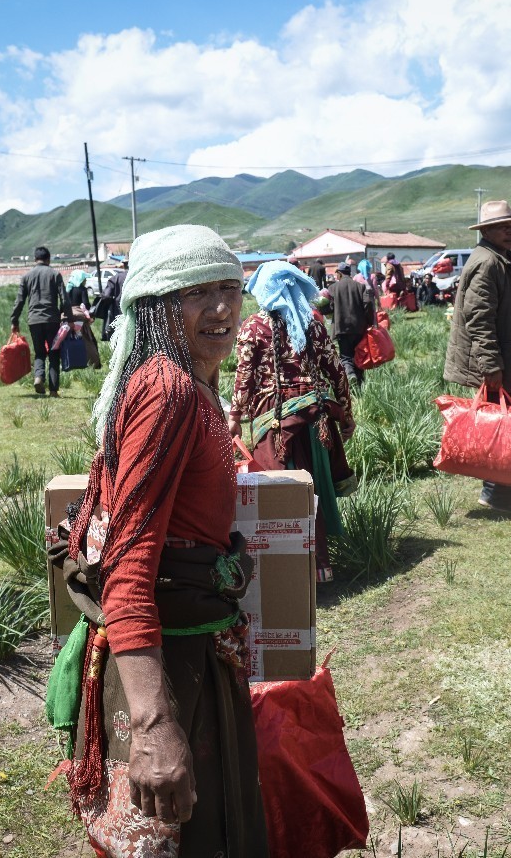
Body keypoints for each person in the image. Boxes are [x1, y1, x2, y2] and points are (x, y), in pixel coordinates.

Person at [61, 224, 267, 855]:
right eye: (196, 292)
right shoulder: (169, 391)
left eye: (229, 288)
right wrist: (153, 723)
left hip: (192, 645)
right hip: (167, 660)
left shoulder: (192, 383)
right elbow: (127, 565)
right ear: (154, 305)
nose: (222, 309)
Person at [229, 262, 356, 584]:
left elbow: (243, 379)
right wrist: (347, 417)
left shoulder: (254, 327)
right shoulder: (313, 323)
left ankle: (285, 571)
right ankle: (319, 568)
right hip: (317, 422)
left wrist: (234, 419)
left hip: (275, 424)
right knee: (311, 489)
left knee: (281, 494)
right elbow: (337, 371)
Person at [443, 200, 511, 517]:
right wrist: (491, 365)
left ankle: (499, 491)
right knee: (503, 424)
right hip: (497, 360)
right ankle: (500, 493)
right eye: (503, 226)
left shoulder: (502, 259)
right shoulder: (487, 262)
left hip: (508, 356)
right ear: (486, 230)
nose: (510, 231)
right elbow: (479, 318)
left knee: (505, 423)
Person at [10, 246, 70, 396]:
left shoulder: (26, 276)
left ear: (35, 259)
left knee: (39, 352)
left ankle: (38, 377)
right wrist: (67, 316)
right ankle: (54, 390)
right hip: (52, 319)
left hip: (34, 320)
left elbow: (19, 301)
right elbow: (64, 298)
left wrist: (14, 320)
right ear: (48, 259)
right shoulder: (55, 274)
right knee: (54, 352)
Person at [328, 261, 374, 384]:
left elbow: (329, 308)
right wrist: (370, 321)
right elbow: (368, 303)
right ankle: (360, 382)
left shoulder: (332, 288)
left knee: (345, 356)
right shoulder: (360, 286)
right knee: (358, 355)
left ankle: (349, 373)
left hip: (341, 328)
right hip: (359, 327)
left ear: (339, 273)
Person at [65, 269, 103, 369]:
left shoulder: (67, 289)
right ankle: (94, 363)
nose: (85, 281)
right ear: (80, 279)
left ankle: (70, 362)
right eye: (84, 279)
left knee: (70, 339)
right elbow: (86, 303)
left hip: (67, 318)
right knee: (88, 340)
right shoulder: (82, 289)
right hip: (79, 318)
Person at [95, 260, 128, 342]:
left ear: (123, 265)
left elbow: (106, 296)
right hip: (136, 312)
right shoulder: (137, 277)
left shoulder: (116, 278)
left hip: (119, 312)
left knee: (119, 339)